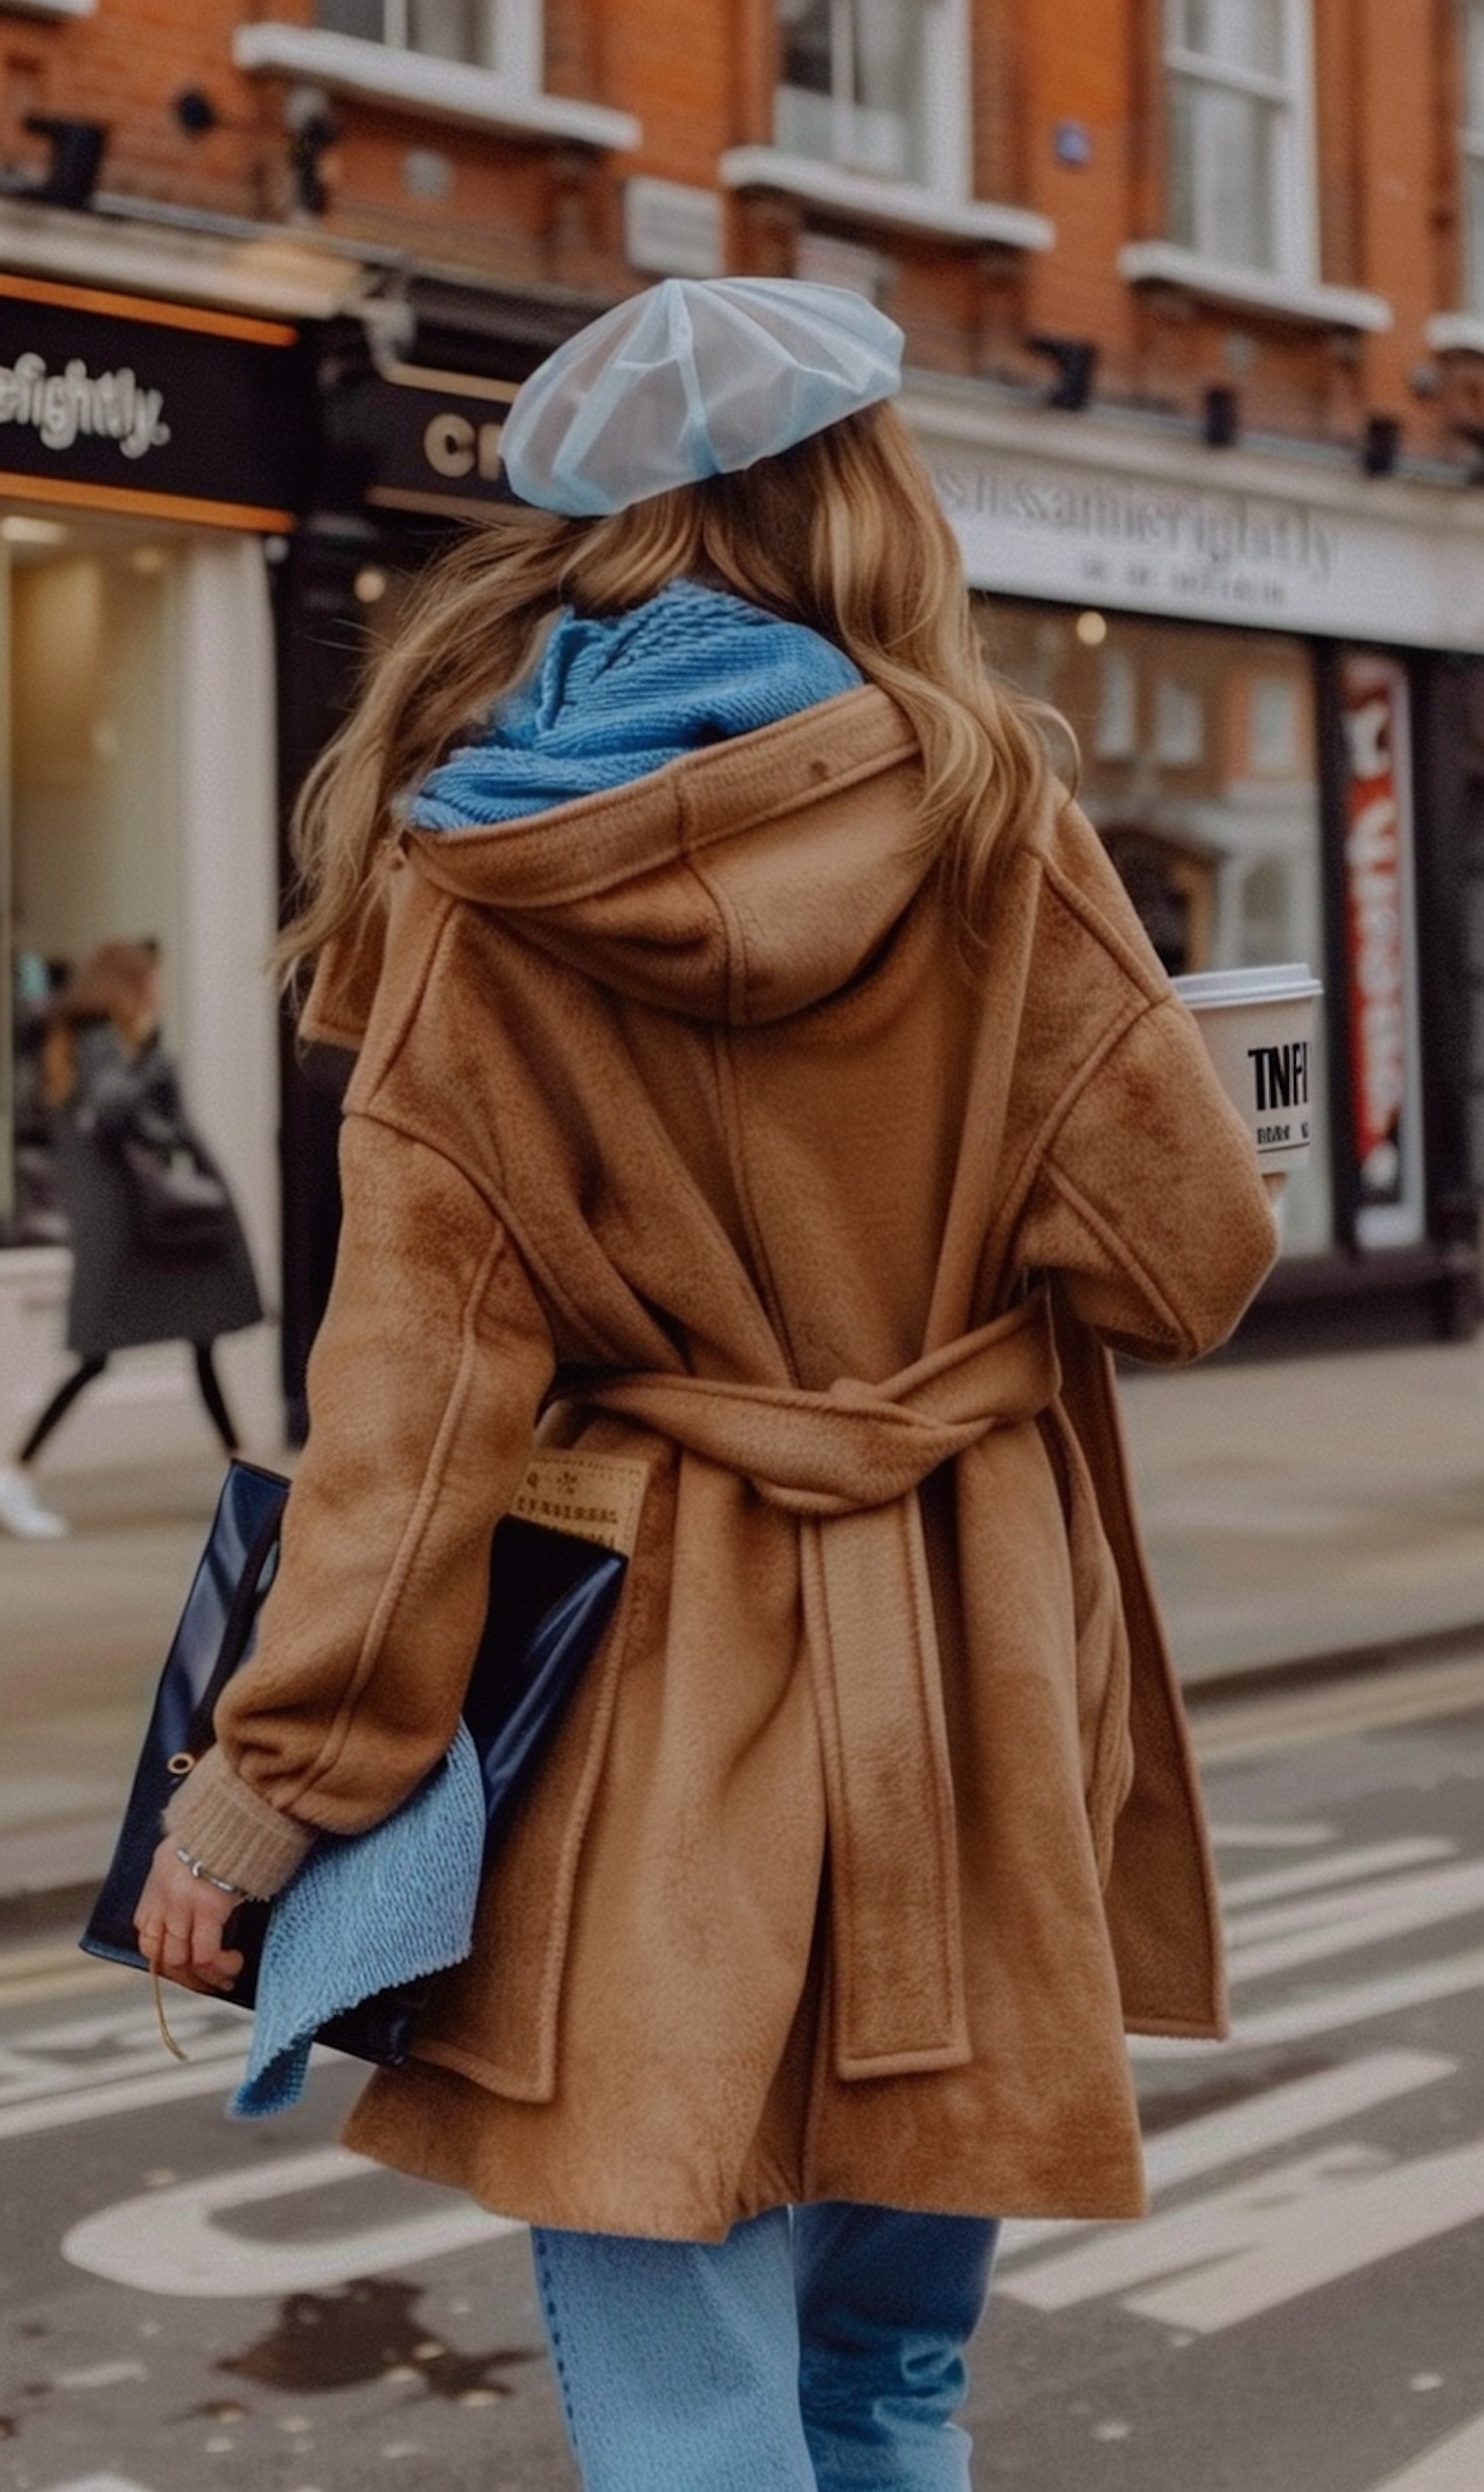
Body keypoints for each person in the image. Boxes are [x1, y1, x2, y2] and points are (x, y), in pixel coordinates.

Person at [137, 279, 1278, 2490]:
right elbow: (1189, 1262)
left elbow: (419, 1396)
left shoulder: (470, 875)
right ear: (863, 497)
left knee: (693, 2410)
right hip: (969, 1668)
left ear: (603, 534)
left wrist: (271, 1775)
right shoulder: (997, 821)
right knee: (889, 2386)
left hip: (660, 1705)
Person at [0, 939, 262, 1540]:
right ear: (132, 984)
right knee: (97, 1356)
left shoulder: (78, 1040)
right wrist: (148, 1056)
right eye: (153, 982)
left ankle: (240, 1469)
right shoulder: (100, 1040)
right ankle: (14, 1473)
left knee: (202, 1334)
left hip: (140, 1228)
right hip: (134, 1230)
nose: (159, 993)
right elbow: (116, 1109)